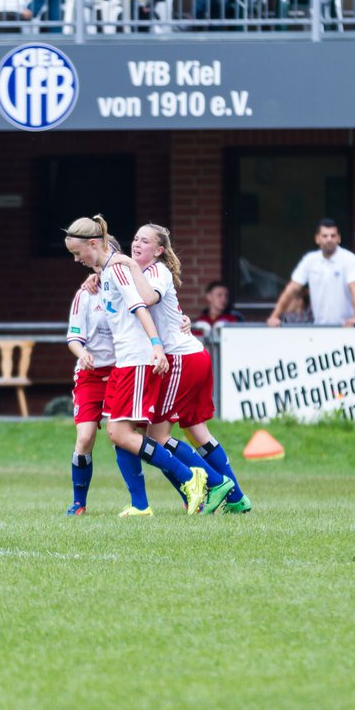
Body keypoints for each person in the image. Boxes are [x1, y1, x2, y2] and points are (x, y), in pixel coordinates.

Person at [64, 214, 209, 517]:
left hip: (138, 360)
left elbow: (140, 306)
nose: (77, 260)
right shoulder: (104, 273)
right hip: (128, 361)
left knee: (124, 434)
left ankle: (190, 478)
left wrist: (156, 346)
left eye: (79, 254)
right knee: (120, 435)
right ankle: (145, 503)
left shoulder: (117, 269)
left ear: (94, 243)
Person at [132, 224, 250, 515]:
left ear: (159, 250)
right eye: (135, 239)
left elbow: (147, 300)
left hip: (182, 359)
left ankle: (215, 483)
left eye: (144, 241)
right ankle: (237, 499)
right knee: (197, 431)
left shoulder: (154, 271)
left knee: (156, 437)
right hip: (192, 355)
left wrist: (123, 265)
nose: (136, 244)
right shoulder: (143, 274)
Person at [63, 240, 118, 516]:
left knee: (137, 438)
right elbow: (73, 337)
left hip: (122, 371)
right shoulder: (85, 294)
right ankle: (79, 503)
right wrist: (82, 352)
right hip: (90, 376)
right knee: (84, 438)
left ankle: (186, 490)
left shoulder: (125, 287)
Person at [267, 218, 355, 327]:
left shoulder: (349, 259)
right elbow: (292, 289)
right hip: (319, 328)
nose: (329, 239)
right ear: (317, 239)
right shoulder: (310, 260)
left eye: (333, 236)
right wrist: (274, 316)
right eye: (325, 236)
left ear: (339, 239)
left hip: (348, 327)